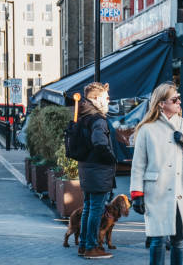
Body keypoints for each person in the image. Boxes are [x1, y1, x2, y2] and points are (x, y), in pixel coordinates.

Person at [130, 82, 183, 265]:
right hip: (155, 191)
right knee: (157, 239)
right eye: (175, 99)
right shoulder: (147, 129)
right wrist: (136, 194)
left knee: (179, 241)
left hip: (181, 190)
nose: (179, 101)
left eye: (179, 98)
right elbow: (138, 164)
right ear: (161, 104)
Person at [77, 82, 117, 259]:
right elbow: (100, 143)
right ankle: (92, 247)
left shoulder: (84, 116)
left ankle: (84, 245)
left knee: (88, 208)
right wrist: (111, 159)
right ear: (96, 98)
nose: (109, 100)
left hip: (87, 169)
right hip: (98, 170)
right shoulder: (98, 120)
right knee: (96, 210)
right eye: (106, 97)